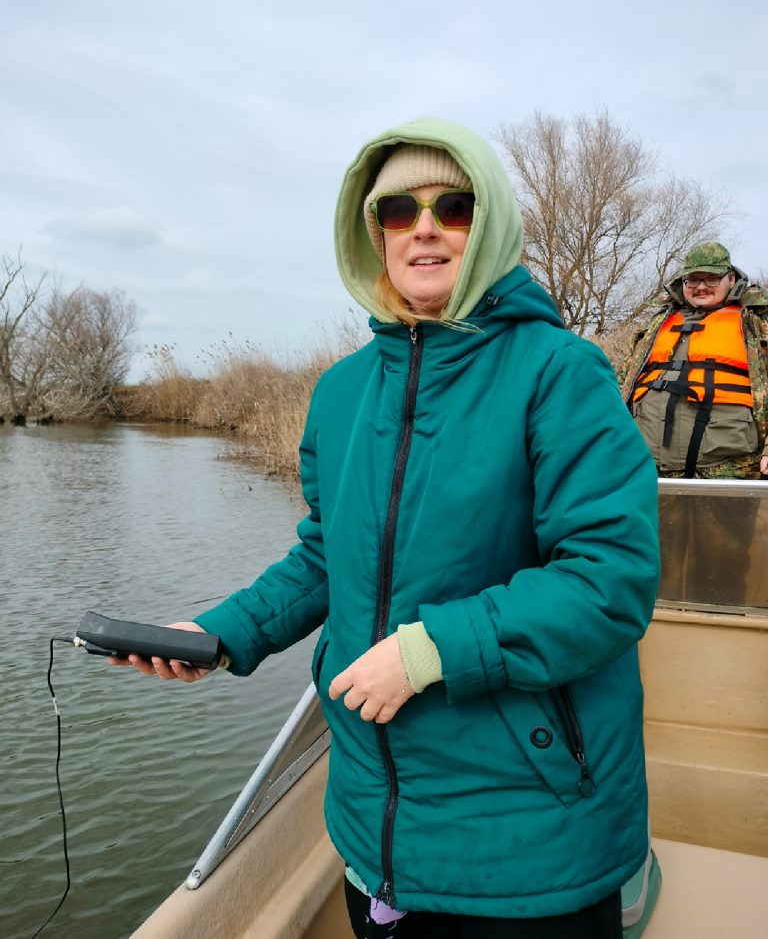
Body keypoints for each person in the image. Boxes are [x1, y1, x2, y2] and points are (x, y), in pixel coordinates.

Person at [111, 118, 660, 938]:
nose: (424, 228)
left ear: (490, 225)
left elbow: (607, 580)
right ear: (374, 233)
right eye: (399, 210)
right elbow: (326, 555)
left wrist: (426, 651)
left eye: (454, 206)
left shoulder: (562, 373)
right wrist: (221, 633)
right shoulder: (341, 391)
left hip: (531, 838)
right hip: (373, 830)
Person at [621, 242, 768, 480]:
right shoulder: (658, 323)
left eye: (711, 279)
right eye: (693, 280)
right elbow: (623, 382)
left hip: (729, 469)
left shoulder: (757, 321)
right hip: (647, 468)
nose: (701, 287)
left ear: (731, 278)